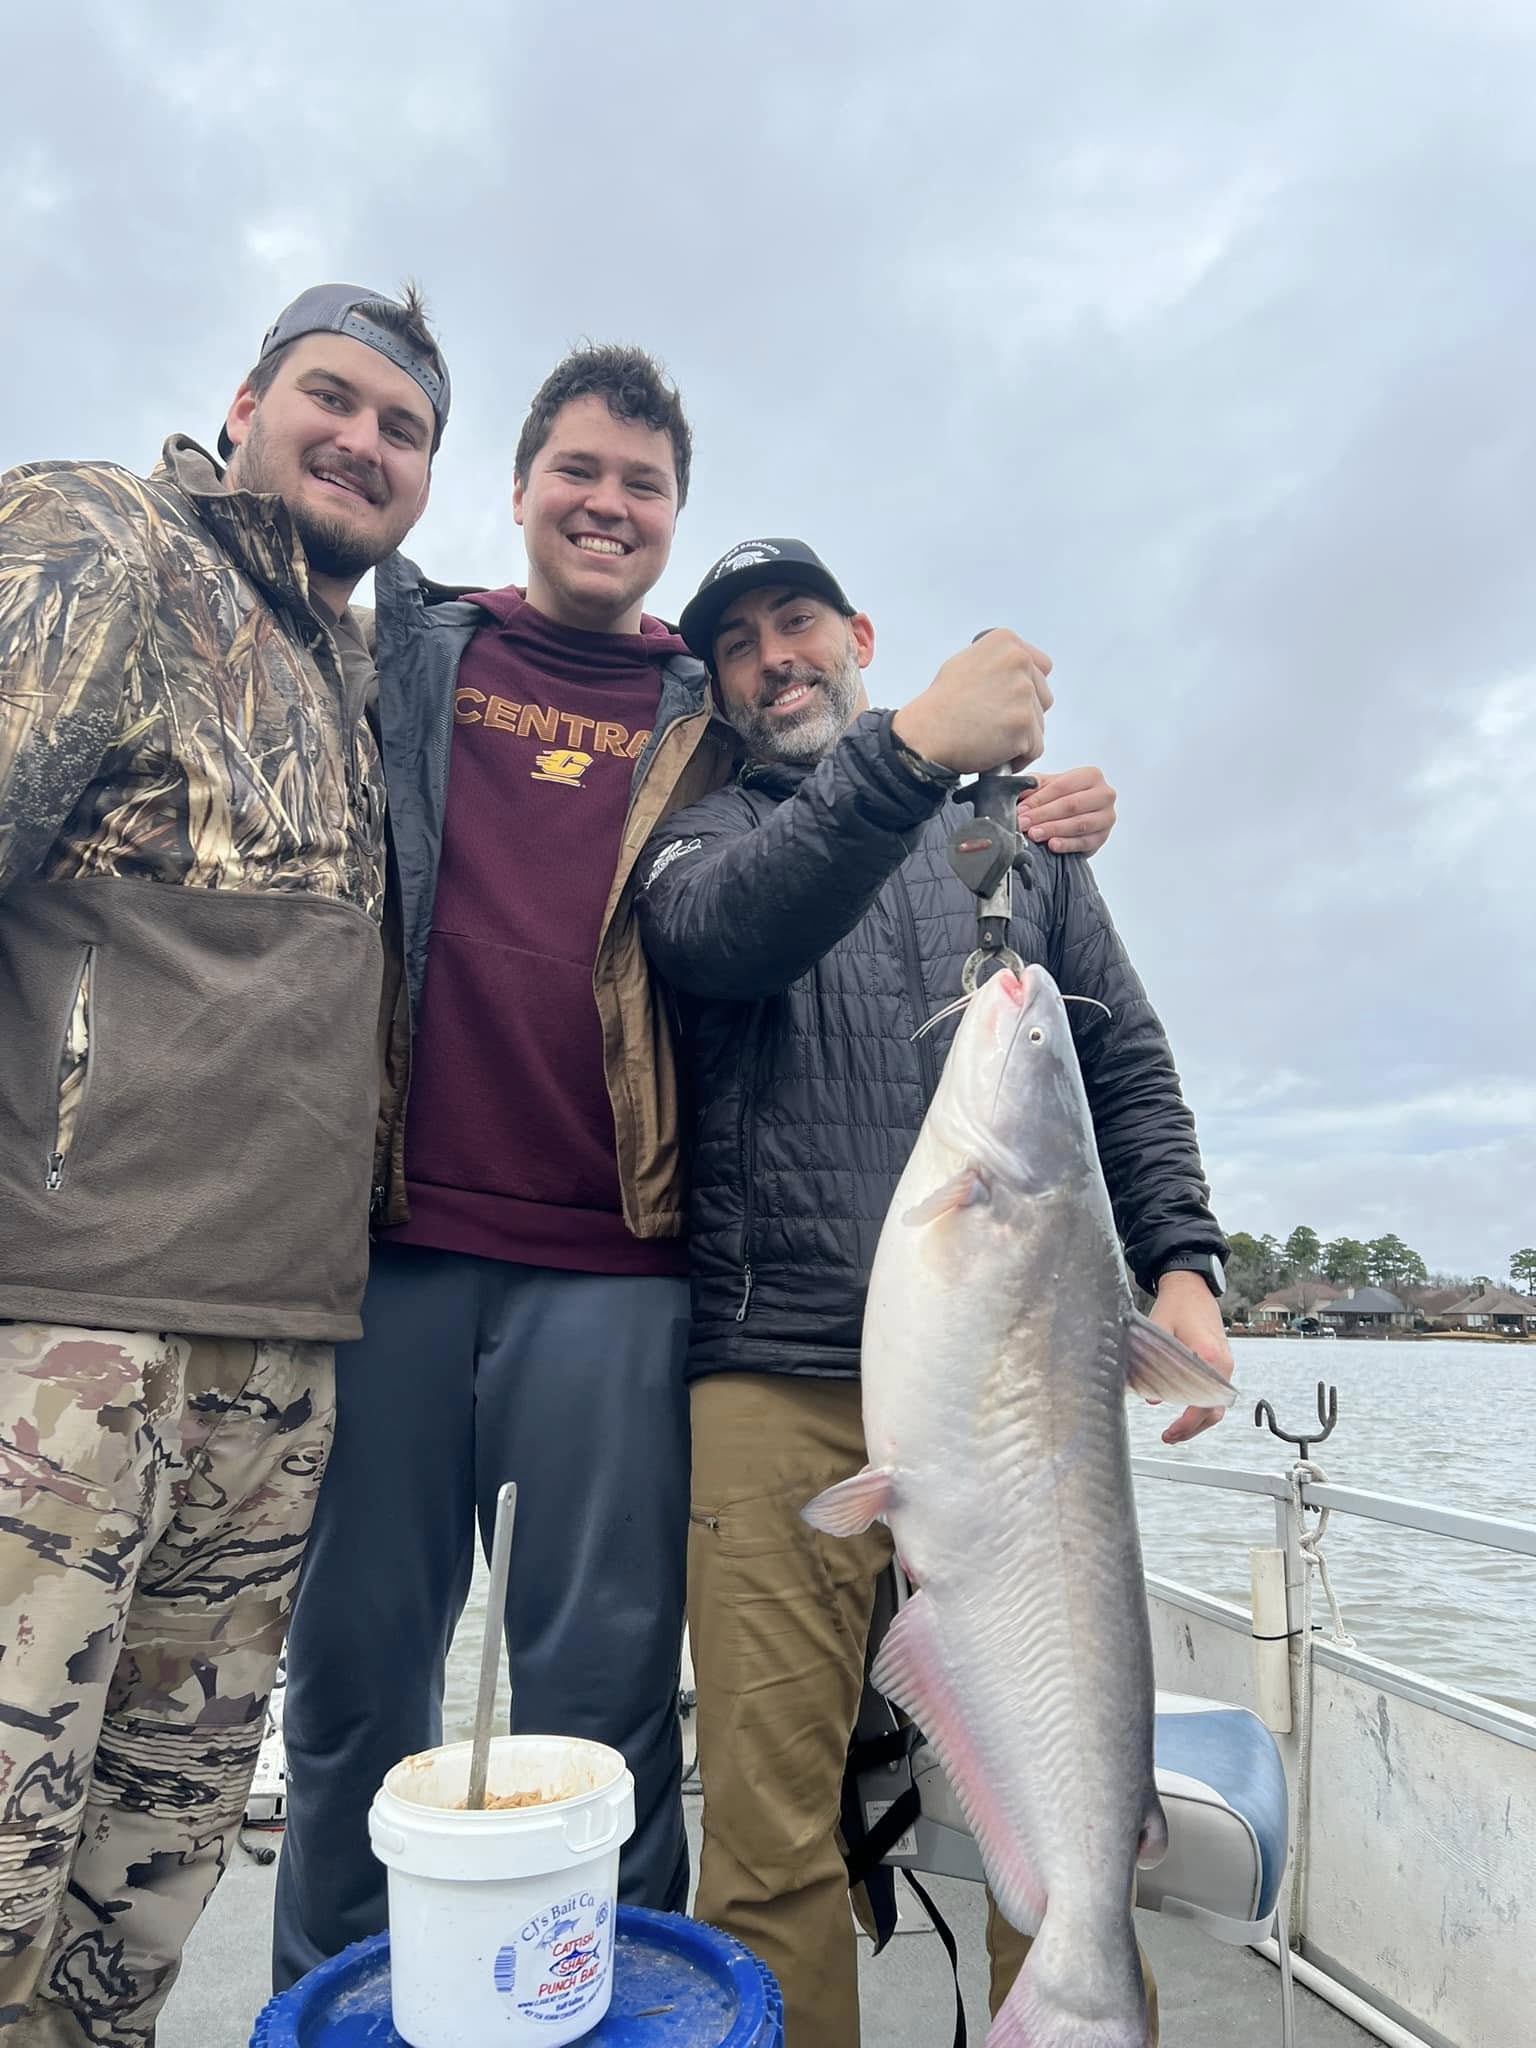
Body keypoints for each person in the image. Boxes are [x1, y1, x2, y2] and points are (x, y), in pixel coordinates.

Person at [634, 539, 1233, 2048]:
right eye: (741, 645)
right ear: (715, 683)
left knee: (1065, 1797)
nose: (778, 658)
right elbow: (730, 940)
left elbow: (1126, 1073)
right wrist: (912, 753)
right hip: (778, 1380)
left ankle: (1084, 2005)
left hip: (1023, 1404)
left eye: (802, 624)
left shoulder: (1018, 846)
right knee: (768, 1841)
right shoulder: (698, 843)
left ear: (861, 634)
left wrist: (1186, 1266)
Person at [0, 283, 448, 2047]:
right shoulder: (100, 535)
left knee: (148, 1874)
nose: (364, 442)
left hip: (274, 1356)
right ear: (245, 400)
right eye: (331, 398)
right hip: (65, 1340)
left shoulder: (354, 666)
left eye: (404, 428)